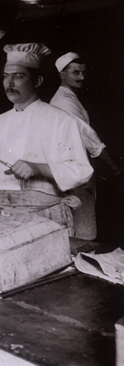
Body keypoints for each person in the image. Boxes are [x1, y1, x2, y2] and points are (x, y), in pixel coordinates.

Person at [0, 43, 93, 234]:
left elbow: (82, 170)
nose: (9, 83)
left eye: (19, 76)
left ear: (37, 81)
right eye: (6, 76)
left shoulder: (61, 120)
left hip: (46, 220)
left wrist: (39, 168)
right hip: (2, 218)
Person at [49, 52, 120, 239]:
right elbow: (89, 138)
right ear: (62, 75)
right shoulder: (64, 101)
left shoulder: (71, 98)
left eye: (83, 72)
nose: (81, 77)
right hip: (74, 171)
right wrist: (114, 167)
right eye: (75, 72)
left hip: (77, 169)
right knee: (83, 227)